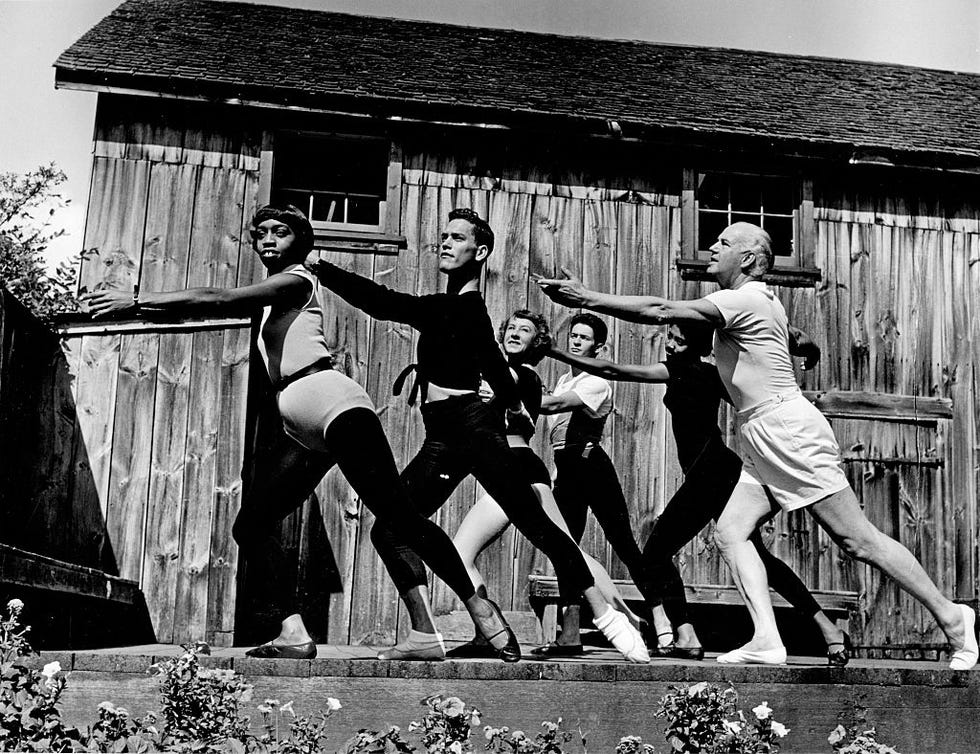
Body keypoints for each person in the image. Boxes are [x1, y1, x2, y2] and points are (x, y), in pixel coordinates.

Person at [537, 221, 978, 670]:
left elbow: (659, 308)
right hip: (759, 434)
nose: (712, 246)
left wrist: (586, 297)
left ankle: (952, 616)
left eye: (724, 243)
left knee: (856, 541)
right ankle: (767, 639)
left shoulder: (744, 298)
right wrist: (803, 343)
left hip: (787, 429)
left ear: (747, 259)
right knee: (732, 532)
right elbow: (789, 337)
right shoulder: (760, 302)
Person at [83, 204, 516, 661]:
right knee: (252, 525)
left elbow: (222, 298)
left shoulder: (296, 280)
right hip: (302, 423)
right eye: (260, 232)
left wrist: (138, 300)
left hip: (333, 404)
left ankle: (481, 613)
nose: (268, 238)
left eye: (281, 231)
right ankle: (293, 632)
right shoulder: (274, 295)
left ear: (301, 242)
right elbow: (204, 310)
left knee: (401, 519)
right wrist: (143, 314)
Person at [305, 207, 648, 663]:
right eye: (443, 236)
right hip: (444, 438)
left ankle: (607, 617)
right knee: (389, 530)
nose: (444, 243)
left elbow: (385, 303)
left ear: (480, 251)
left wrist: (322, 268)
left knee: (534, 521)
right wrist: (504, 403)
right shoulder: (474, 314)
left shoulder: (460, 307)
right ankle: (429, 633)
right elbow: (501, 378)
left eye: (457, 238)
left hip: (468, 431)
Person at [549, 320, 852, 665]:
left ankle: (686, 633)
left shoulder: (697, 371)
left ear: (695, 348)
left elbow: (755, 392)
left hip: (712, 471)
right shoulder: (702, 372)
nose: (670, 345)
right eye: (670, 338)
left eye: (679, 341)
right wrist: (803, 347)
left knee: (656, 553)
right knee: (758, 558)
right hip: (712, 471)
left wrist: (801, 361)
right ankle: (829, 631)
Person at [447, 309, 660, 659]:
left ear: (538, 341)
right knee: (556, 548)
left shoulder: (526, 378)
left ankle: (616, 619)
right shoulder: (514, 375)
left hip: (520, 469)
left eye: (526, 329)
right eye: (511, 327)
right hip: (506, 470)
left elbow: (528, 397)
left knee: (563, 548)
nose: (515, 332)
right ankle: (490, 627)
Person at [536, 313, 669, 656]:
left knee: (623, 543)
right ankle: (569, 636)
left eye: (584, 338)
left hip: (591, 467)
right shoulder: (566, 377)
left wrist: (514, 394)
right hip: (566, 471)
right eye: (574, 336)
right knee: (565, 549)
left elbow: (555, 405)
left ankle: (662, 619)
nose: (577, 342)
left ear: (598, 346)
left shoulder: (596, 380)